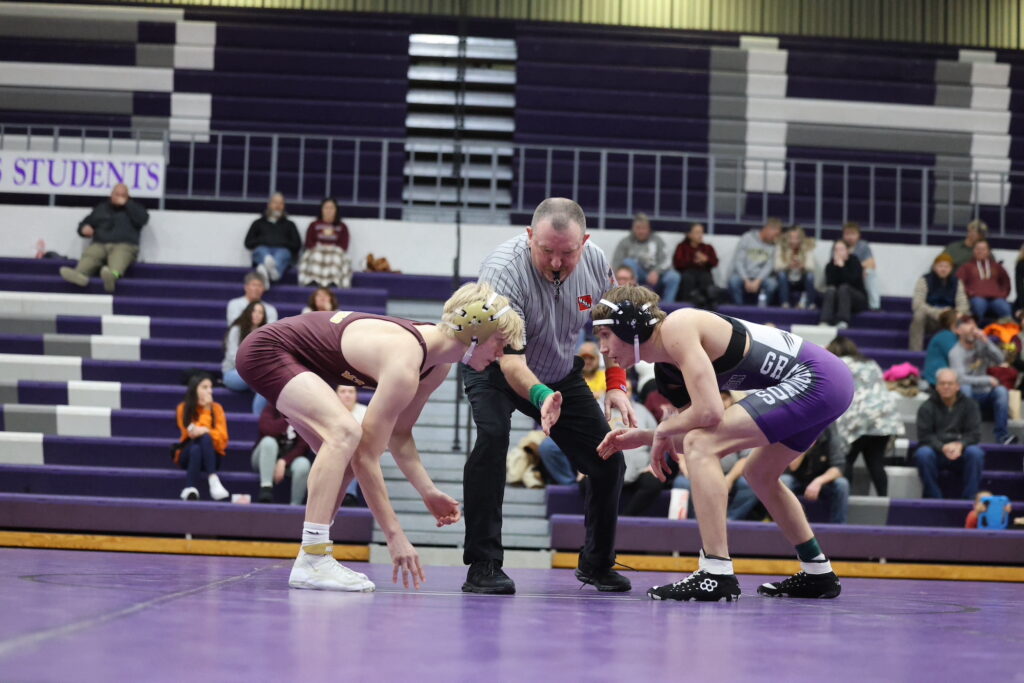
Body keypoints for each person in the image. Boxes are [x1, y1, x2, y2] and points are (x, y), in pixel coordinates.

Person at [235, 282, 524, 592]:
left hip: (297, 359)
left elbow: (399, 434)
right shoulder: (405, 361)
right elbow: (366, 455)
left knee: (343, 453)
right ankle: (314, 558)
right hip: (268, 350)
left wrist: (426, 490)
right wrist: (395, 536)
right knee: (345, 433)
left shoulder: (437, 365)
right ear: (474, 333)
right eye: (499, 342)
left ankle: (312, 556)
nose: (500, 354)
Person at [594, 284, 853, 601]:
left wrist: (663, 430)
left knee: (704, 445)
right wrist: (646, 437)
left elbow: (710, 415)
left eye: (605, 335)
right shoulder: (668, 371)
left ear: (629, 325)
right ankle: (818, 573)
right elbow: (689, 436)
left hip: (818, 378)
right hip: (824, 383)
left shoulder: (678, 326)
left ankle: (715, 571)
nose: (602, 349)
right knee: (759, 473)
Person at [463, 197, 634, 596]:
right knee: (491, 441)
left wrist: (615, 382)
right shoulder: (503, 271)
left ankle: (597, 564)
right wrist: (541, 396)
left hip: (557, 370)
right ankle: (483, 564)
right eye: (546, 251)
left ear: (584, 242)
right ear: (529, 237)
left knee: (609, 460)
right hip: (495, 369)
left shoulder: (594, 261)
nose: (556, 262)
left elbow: (612, 325)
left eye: (567, 253)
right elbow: (509, 360)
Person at [827, 336, 904, 496]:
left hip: (857, 416)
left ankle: (846, 498)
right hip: (884, 416)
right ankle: (883, 498)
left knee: (847, 460)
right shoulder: (871, 363)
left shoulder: (838, 363)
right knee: (876, 461)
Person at [59, 183, 148, 293]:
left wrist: (128, 204)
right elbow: (84, 223)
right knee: (91, 255)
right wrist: (84, 229)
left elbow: (143, 219)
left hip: (125, 245)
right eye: (117, 194)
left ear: (128, 196)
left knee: (119, 259)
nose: (119, 197)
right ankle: (79, 274)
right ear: (111, 195)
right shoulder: (101, 208)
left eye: (123, 195)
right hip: (100, 243)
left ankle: (112, 276)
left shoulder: (135, 208)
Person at [913, 368, 986, 499]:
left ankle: (969, 500)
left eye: (950, 383)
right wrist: (943, 447)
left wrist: (960, 445)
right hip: (937, 453)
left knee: (976, 453)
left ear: (957, 386)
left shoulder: (971, 405)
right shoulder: (926, 407)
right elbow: (924, 436)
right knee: (923, 454)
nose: (946, 387)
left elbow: (974, 434)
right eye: (942, 383)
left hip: (961, 452)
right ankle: (935, 498)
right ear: (937, 386)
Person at [947, 314, 1015, 444]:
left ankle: (1002, 436)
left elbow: (1001, 360)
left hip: (985, 394)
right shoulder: (955, 353)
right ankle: (966, 434)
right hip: (967, 396)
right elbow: (961, 379)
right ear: (959, 331)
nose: (973, 329)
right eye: (968, 326)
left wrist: (987, 341)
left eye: (974, 326)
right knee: (965, 388)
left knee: (1001, 391)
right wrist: (987, 379)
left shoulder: (981, 345)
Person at [174, 373, 230, 502]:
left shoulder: (217, 409)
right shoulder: (183, 408)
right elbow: (189, 433)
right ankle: (213, 479)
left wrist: (206, 413)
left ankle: (190, 489)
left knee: (201, 443)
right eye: (204, 387)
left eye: (210, 387)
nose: (209, 391)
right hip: (187, 454)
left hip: (213, 455)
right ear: (195, 389)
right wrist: (205, 423)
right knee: (197, 446)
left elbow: (222, 440)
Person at [780, 424, 850, 524]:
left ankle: (839, 529)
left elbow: (838, 467)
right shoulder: (795, 426)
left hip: (822, 481)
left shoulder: (829, 428)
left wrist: (818, 482)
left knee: (842, 484)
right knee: (784, 480)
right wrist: (805, 446)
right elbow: (791, 467)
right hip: (797, 479)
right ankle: (783, 525)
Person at [612, 213, 681, 303]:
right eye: (638, 228)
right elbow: (616, 263)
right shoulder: (625, 242)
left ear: (649, 229)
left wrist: (656, 271)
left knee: (674, 276)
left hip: (657, 276)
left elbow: (666, 261)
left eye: (643, 228)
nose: (641, 231)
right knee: (628, 262)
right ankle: (631, 300)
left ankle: (667, 306)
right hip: (635, 277)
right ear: (633, 229)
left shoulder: (657, 241)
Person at [251, 404, 312, 504]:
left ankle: (295, 506)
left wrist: (284, 461)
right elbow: (268, 430)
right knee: (269, 442)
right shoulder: (270, 408)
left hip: (288, 461)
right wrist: (289, 418)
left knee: (303, 464)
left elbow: (303, 446)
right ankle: (266, 488)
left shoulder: (304, 416)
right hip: (263, 459)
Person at [909, 253, 969, 351]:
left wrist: (952, 314)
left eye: (946, 266)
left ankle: (956, 351)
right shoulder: (924, 280)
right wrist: (938, 312)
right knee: (918, 316)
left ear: (951, 268)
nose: (943, 269)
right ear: (934, 267)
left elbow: (963, 305)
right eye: (940, 266)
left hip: (950, 319)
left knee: (963, 317)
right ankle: (915, 351)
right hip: (930, 317)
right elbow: (917, 304)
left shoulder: (957, 282)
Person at [244, 192, 301, 288]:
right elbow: (248, 243)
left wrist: (282, 243)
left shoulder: (290, 224)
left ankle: (266, 270)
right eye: (275, 203)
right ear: (269, 204)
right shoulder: (258, 223)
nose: (278, 206)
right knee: (262, 250)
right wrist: (263, 241)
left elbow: (297, 245)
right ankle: (273, 270)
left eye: (281, 203)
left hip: (282, 251)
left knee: (282, 253)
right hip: (262, 251)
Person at [222, 301, 269, 415]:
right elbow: (233, 356)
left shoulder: (265, 333)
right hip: (233, 373)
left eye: (260, 312)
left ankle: (257, 418)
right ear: (248, 312)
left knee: (266, 381)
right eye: (254, 311)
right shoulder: (237, 329)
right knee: (262, 379)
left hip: (255, 375)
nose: (257, 314)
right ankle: (257, 418)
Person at [298, 197, 352, 288]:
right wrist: (321, 247)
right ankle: (313, 281)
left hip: (335, 251)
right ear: (322, 210)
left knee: (336, 257)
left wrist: (330, 248)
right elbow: (309, 243)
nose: (329, 211)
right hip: (317, 250)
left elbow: (344, 245)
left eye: (331, 208)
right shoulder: (314, 225)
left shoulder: (342, 226)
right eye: (326, 208)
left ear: (336, 210)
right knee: (316, 255)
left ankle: (334, 282)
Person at [727, 218, 781, 306]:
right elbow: (738, 261)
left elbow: (769, 266)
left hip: (760, 278)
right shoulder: (748, 237)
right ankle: (740, 311)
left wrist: (757, 281)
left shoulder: (774, 245)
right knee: (733, 281)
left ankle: (762, 312)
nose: (776, 237)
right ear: (768, 229)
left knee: (772, 284)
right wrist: (746, 279)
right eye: (775, 234)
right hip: (743, 276)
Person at [956, 239, 1012, 323]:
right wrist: (970, 293)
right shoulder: (966, 267)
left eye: (983, 249)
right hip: (976, 298)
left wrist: (1003, 294)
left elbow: (1006, 282)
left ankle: (1008, 331)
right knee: (979, 305)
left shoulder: (997, 267)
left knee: (1004, 307)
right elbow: (959, 283)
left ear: (988, 251)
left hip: (996, 298)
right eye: (978, 249)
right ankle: (977, 331)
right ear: (973, 250)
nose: (980, 251)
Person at [672, 222, 720, 309]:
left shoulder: (708, 247)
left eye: (702, 232)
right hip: (688, 273)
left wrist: (706, 260)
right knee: (688, 278)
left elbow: (715, 262)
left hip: (704, 273)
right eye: (697, 232)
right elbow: (677, 263)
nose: (700, 235)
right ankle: (690, 301)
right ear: (689, 234)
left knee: (706, 278)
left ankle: (708, 301)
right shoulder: (682, 247)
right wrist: (693, 261)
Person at [819, 240, 866, 328]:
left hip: (856, 298)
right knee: (830, 290)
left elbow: (853, 281)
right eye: (836, 250)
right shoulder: (830, 266)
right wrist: (836, 267)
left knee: (844, 288)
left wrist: (842, 267)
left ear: (847, 250)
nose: (838, 252)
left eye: (841, 249)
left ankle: (842, 320)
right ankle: (824, 321)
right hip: (838, 299)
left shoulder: (855, 262)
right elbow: (830, 283)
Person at [774, 226, 816, 309]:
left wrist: (802, 266)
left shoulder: (807, 247)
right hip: (787, 279)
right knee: (781, 275)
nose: (794, 241)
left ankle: (810, 304)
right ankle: (784, 303)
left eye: (796, 238)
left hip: (801, 279)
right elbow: (776, 266)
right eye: (791, 238)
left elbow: (812, 267)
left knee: (810, 276)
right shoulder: (781, 247)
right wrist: (788, 265)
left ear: (801, 238)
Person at [841, 222, 880, 310]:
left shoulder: (863, 246)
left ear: (858, 235)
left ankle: (875, 306)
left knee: (869, 272)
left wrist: (858, 269)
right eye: (847, 234)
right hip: (842, 275)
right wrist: (858, 267)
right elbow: (835, 263)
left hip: (857, 278)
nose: (850, 237)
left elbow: (871, 263)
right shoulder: (839, 245)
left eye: (853, 234)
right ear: (843, 235)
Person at [923, 309, 961, 386]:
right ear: (953, 323)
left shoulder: (949, 336)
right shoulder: (946, 336)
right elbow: (958, 357)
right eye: (961, 321)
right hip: (937, 381)